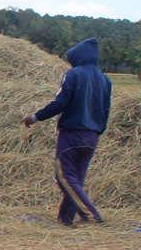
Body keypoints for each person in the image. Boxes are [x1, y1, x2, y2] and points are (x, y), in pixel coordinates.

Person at [21, 38, 112, 226]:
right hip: (92, 136)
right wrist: (98, 131)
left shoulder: (73, 74)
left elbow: (61, 103)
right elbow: (106, 110)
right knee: (76, 180)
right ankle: (65, 219)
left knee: (64, 177)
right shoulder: (105, 80)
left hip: (72, 133)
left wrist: (36, 117)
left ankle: (90, 213)